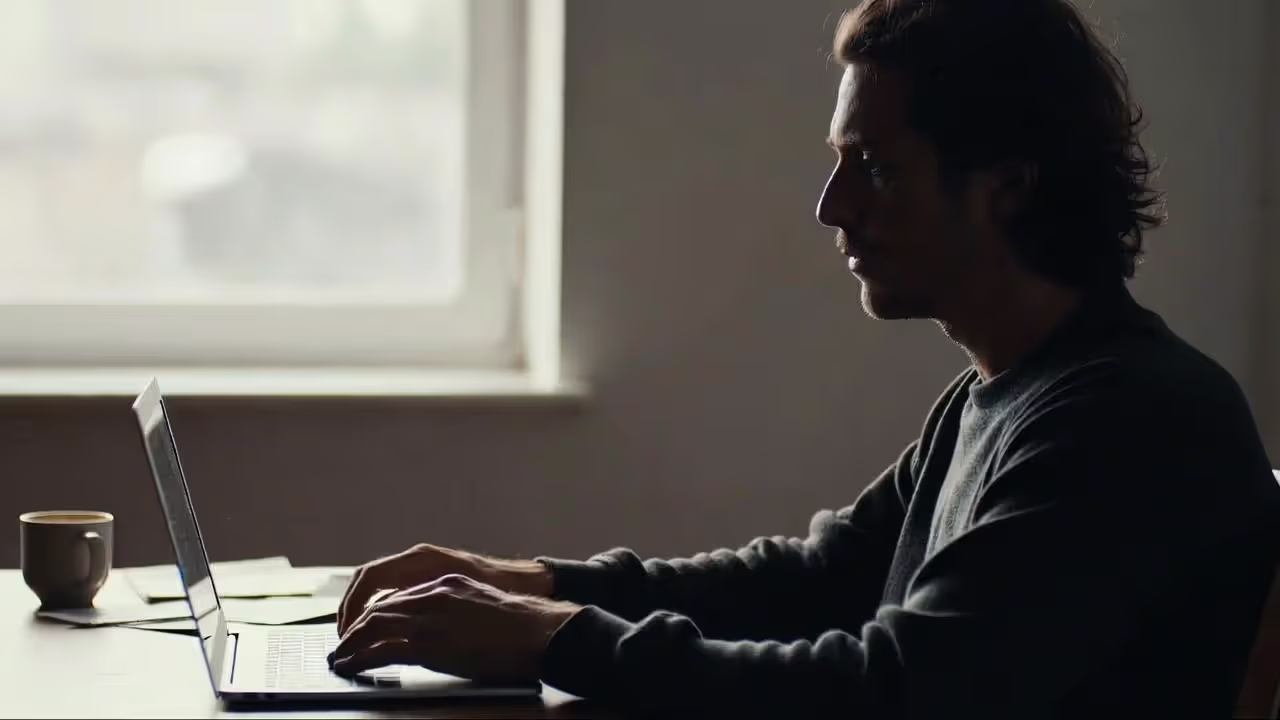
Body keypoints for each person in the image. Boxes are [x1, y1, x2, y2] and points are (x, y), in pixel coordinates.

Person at [329, 0, 1280, 716]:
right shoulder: (1001, 395)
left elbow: (894, 690)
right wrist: (539, 586)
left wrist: (557, 642)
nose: (833, 207)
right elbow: (814, 581)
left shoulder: (1128, 422)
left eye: (874, 167)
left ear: (1007, 188)